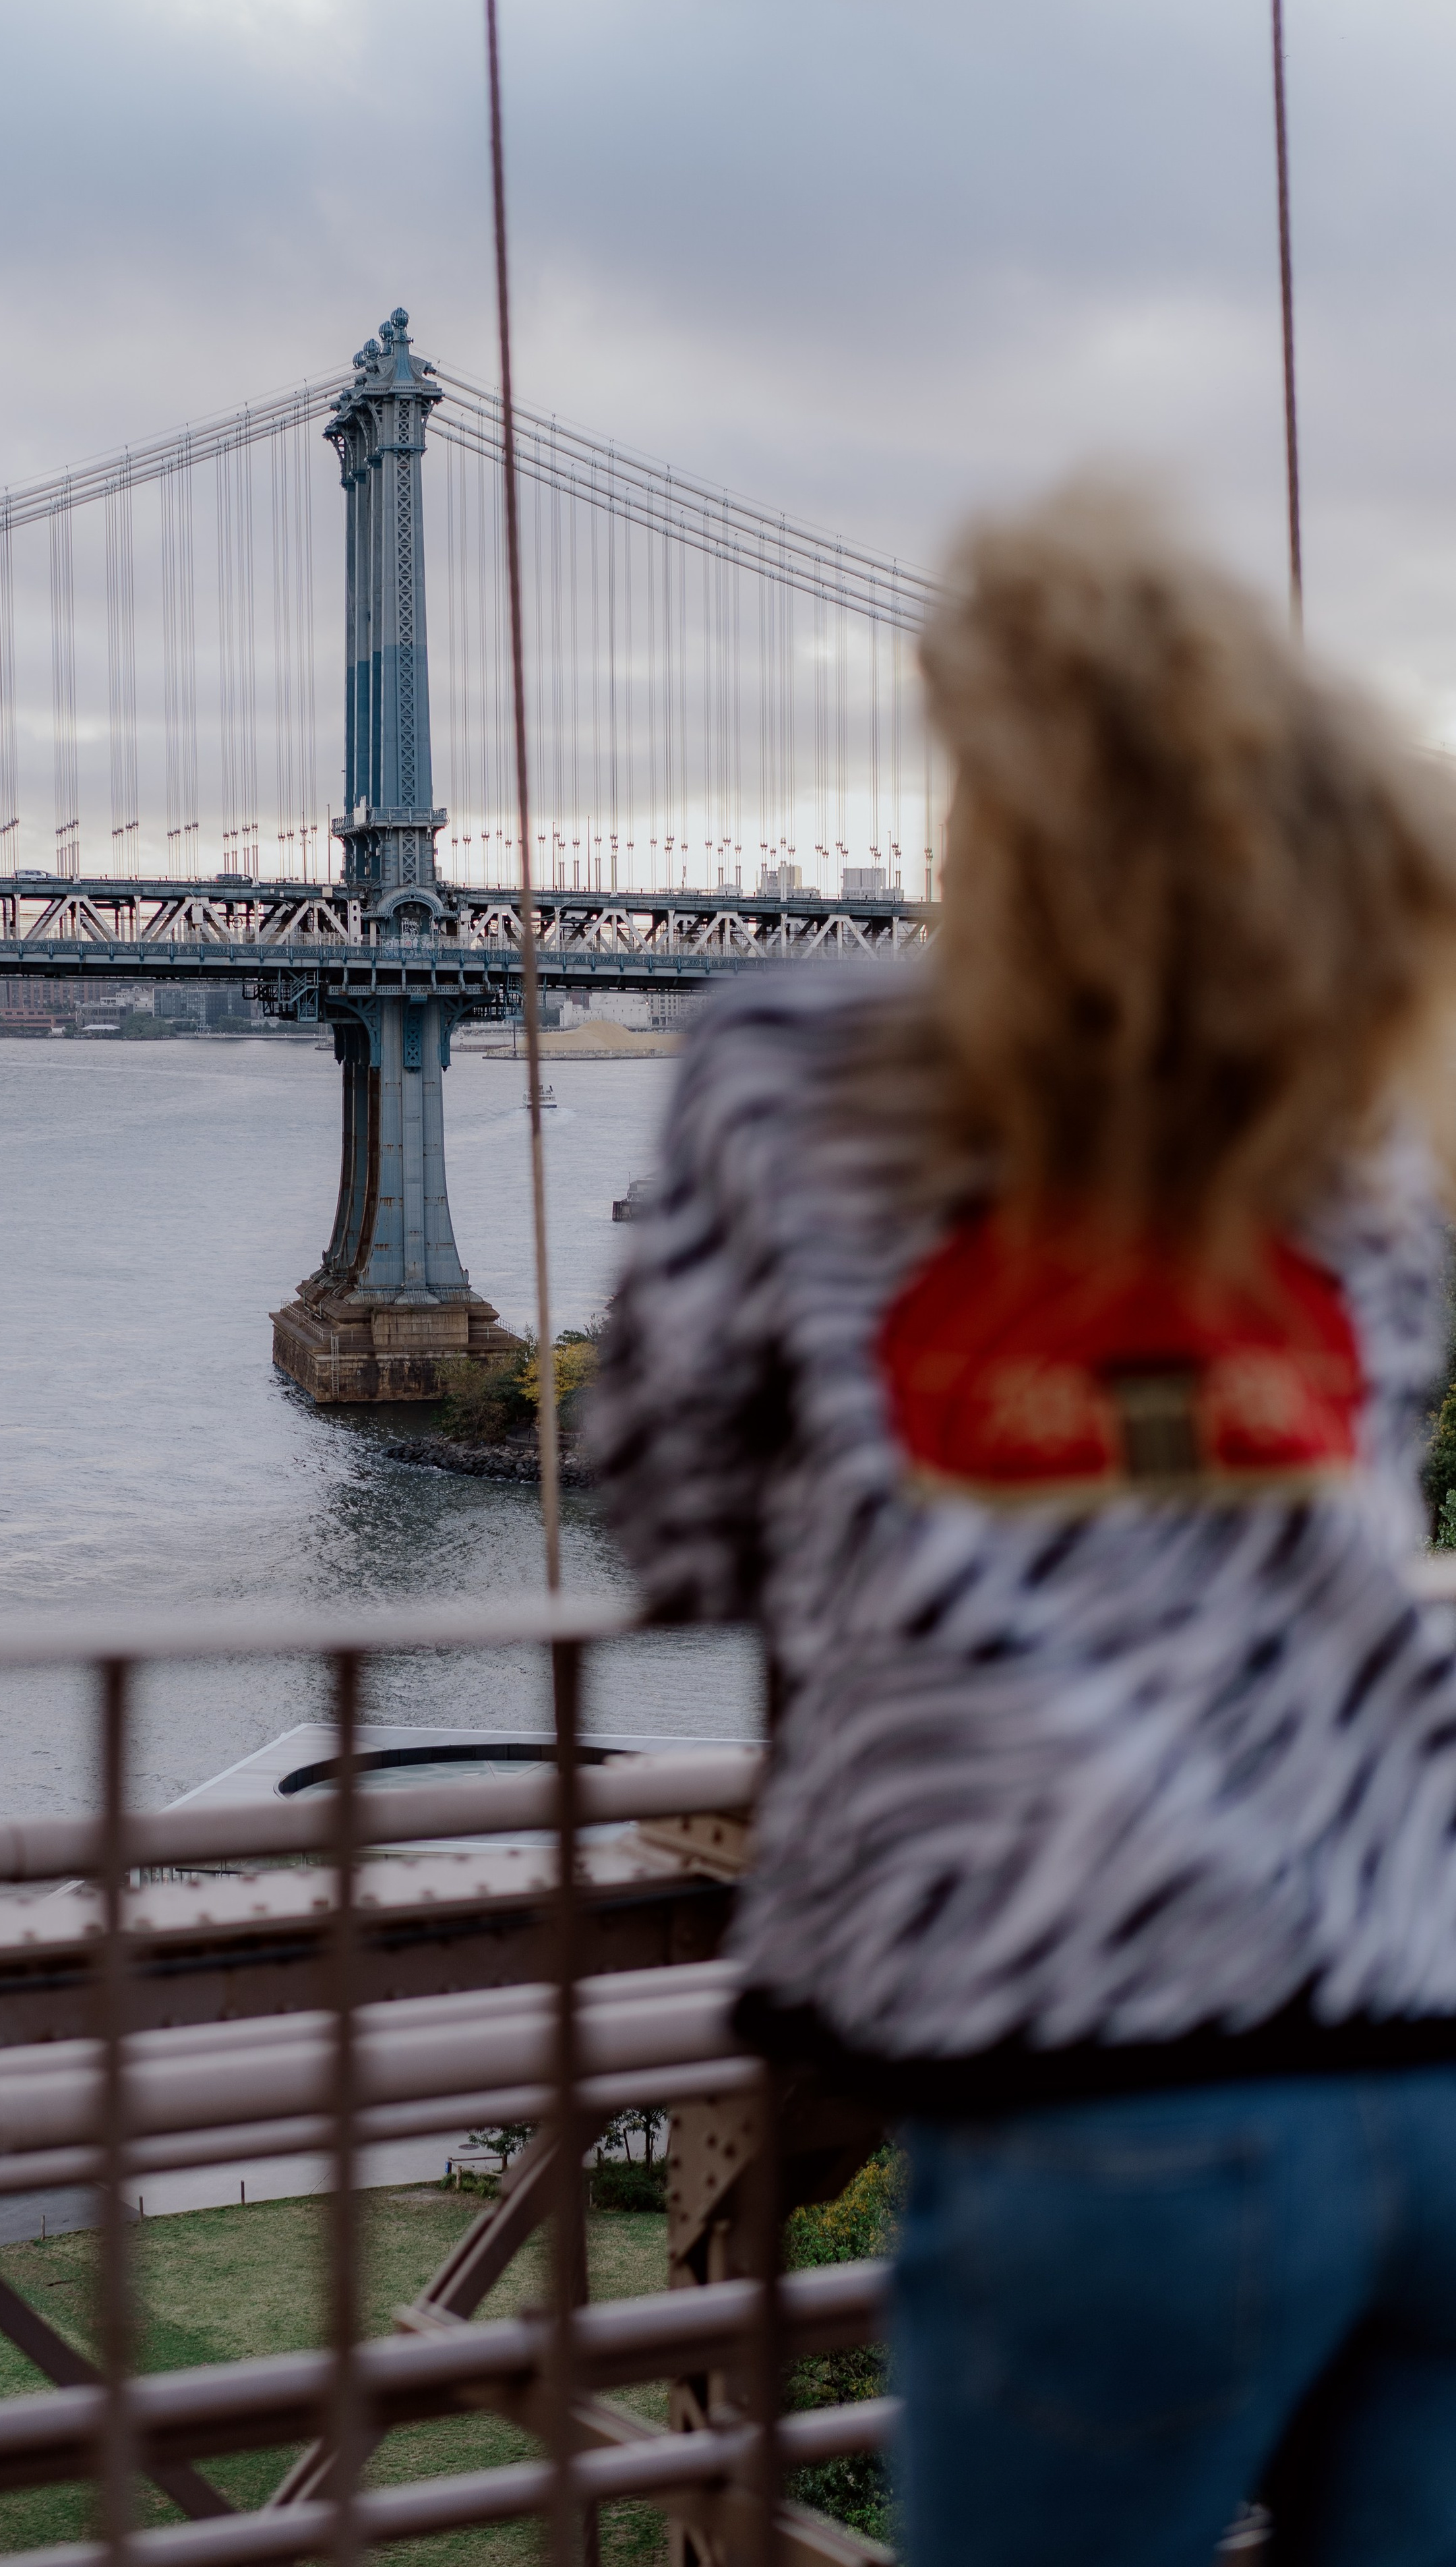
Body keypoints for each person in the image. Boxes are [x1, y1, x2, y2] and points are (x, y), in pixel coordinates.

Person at [588, 483, 1456, 2567]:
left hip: (1100, 2087)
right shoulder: (1344, 1094)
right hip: (1429, 2043)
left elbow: (672, 1508)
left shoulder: (796, 1060)